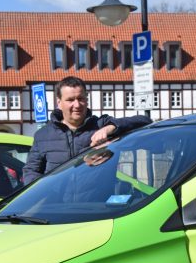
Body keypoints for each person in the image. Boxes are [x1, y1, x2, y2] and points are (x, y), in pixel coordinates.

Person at [22, 76, 151, 184]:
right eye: (70, 100)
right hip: (55, 207)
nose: (77, 105)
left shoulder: (100, 124)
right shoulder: (43, 135)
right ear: (59, 102)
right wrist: (42, 196)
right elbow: (31, 171)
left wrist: (111, 128)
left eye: (81, 99)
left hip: (95, 206)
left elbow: (145, 121)